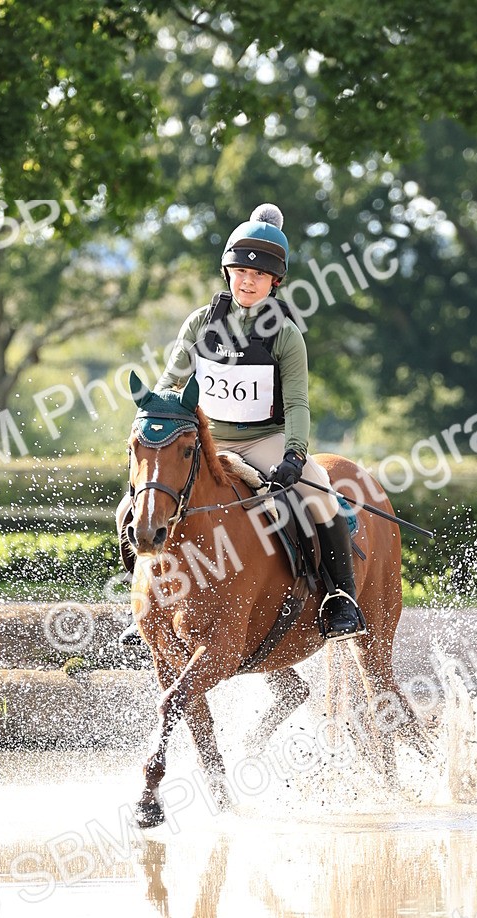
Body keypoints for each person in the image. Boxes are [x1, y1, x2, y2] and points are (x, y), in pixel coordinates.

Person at [151, 203, 365, 639]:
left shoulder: (285, 335)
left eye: (259, 276)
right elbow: (170, 380)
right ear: (228, 273)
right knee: (146, 496)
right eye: (240, 272)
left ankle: (340, 600)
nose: (248, 282)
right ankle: (147, 610)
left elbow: (300, 404)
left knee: (320, 495)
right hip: (210, 441)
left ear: (274, 281)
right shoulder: (199, 324)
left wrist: (294, 454)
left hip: (264, 440)